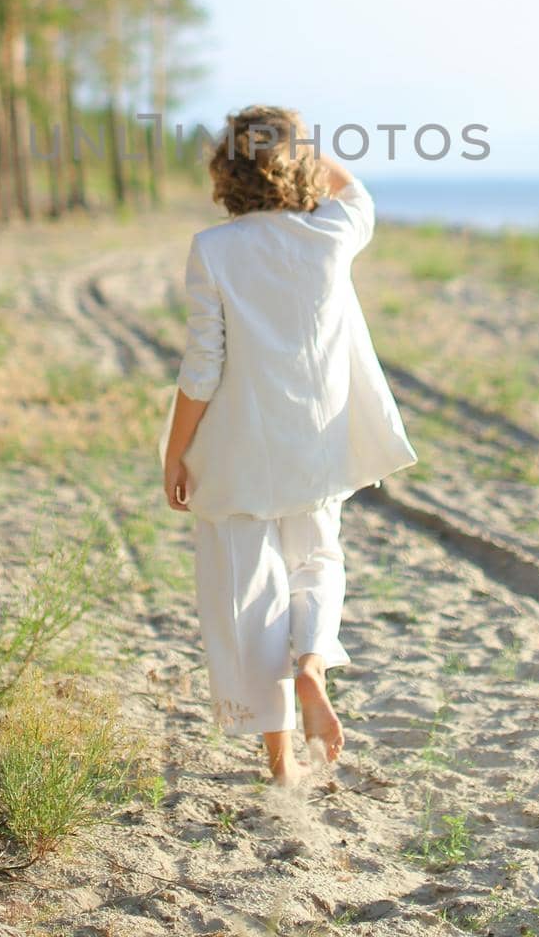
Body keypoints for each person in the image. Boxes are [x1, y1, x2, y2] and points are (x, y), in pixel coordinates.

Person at [159, 105, 418, 786]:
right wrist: (304, 147)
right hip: (316, 444)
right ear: (298, 167)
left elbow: (202, 369)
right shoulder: (331, 233)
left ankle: (279, 765)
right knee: (316, 560)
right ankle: (310, 665)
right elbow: (353, 188)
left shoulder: (213, 250)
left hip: (237, 450)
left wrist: (175, 451)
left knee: (247, 593)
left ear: (226, 173)